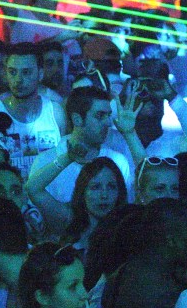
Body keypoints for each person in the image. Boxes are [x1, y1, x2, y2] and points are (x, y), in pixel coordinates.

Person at [26, 86, 132, 233]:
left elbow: (127, 210)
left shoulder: (119, 161)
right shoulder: (46, 160)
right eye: (100, 115)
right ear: (77, 119)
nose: (108, 123)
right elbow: (34, 209)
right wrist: (66, 159)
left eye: (108, 115)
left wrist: (130, 133)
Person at [0, 43, 67, 178]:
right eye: (12, 72)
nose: (18, 80)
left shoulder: (55, 112)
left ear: (40, 74)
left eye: (26, 72)